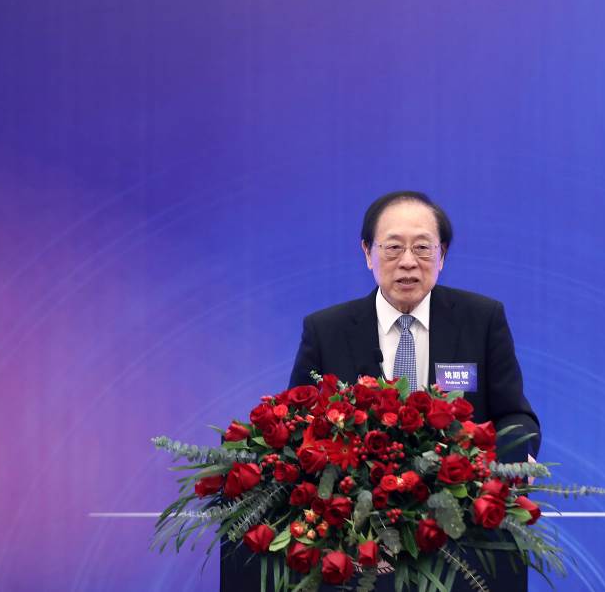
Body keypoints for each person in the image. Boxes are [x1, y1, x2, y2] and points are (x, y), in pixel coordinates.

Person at [220, 192, 539, 591]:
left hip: (458, 539)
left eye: (422, 248)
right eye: (393, 247)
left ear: (442, 255)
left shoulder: (482, 319)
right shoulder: (327, 329)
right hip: (356, 543)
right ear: (367, 253)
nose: (408, 261)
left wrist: (500, 468)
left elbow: (516, 416)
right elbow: (297, 428)